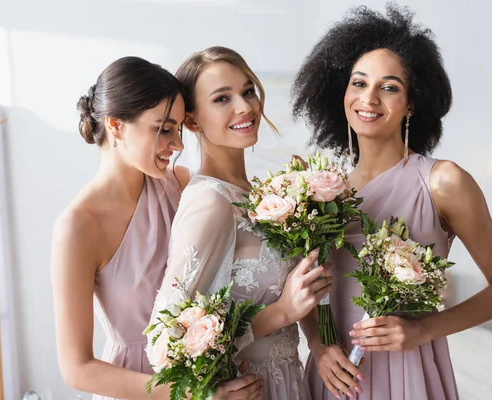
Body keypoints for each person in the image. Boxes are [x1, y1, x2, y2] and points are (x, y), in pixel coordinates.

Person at [291, 4, 492, 400]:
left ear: (412, 104)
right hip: (333, 374)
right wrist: (317, 343)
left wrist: (421, 330)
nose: (369, 98)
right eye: (358, 83)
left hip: (406, 371)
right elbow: (310, 289)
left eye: (389, 87)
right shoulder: (321, 191)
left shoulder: (443, 181)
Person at [51, 56, 261, 399]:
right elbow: (76, 368)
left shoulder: (183, 186)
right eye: (163, 129)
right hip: (140, 387)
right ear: (117, 126)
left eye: (178, 128)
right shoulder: (77, 226)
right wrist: (197, 395)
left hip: (211, 377)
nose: (177, 144)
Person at [147, 46, 346, 400]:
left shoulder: (259, 197)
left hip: (289, 383)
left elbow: (296, 296)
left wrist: (318, 342)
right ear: (192, 121)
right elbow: (166, 342)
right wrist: (280, 312)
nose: (245, 107)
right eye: (222, 98)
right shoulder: (210, 202)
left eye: (247, 91)